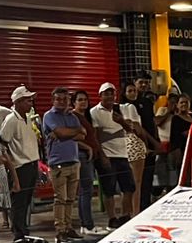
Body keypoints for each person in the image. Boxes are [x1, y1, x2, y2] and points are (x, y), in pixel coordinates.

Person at [0, 86, 40, 239]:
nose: (31, 103)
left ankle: (23, 229)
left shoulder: (26, 118)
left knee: (26, 200)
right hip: (20, 166)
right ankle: (18, 233)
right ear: (18, 101)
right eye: (28, 100)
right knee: (19, 202)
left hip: (31, 163)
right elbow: (3, 142)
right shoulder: (11, 120)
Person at [90, 82, 137, 228]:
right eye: (106, 93)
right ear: (100, 95)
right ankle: (112, 217)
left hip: (123, 153)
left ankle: (125, 215)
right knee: (109, 188)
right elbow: (97, 136)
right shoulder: (94, 112)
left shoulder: (121, 109)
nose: (109, 96)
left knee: (129, 186)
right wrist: (102, 155)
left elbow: (130, 129)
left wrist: (121, 121)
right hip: (107, 154)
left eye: (112, 93)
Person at [41, 85, 84, 238]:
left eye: (65, 99)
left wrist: (65, 134)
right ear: (53, 100)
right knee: (61, 198)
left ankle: (69, 227)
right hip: (58, 163)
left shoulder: (72, 116)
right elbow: (62, 132)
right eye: (58, 99)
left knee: (71, 198)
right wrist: (67, 132)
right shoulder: (49, 116)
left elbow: (82, 134)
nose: (61, 102)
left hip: (74, 161)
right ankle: (61, 229)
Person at [69, 91, 102, 232]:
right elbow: (73, 138)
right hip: (82, 155)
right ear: (74, 102)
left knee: (86, 190)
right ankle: (87, 224)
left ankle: (86, 224)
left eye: (85, 99)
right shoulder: (73, 117)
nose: (83, 102)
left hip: (90, 156)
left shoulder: (86, 116)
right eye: (80, 100)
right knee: (85, 190)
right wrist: (87, 148)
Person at [132, 73, 162, 208]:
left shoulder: (148, 102)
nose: (144, 85)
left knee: (148, 178)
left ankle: (146, 204)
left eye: (146, 82)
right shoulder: (130, 104)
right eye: (141, 82)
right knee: (138, 180)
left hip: (151, 145)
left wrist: (157, 141)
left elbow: (152, 122)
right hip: (137, 146)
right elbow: (138, 128)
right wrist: (151, 142)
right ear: (135, 82)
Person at [166, 94, 192, 188]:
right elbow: (176, 137)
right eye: (181, 102)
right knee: (184, 176)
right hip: (182, 151)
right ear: (177, 105)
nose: (184, 104)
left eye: (186, 102)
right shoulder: (176, 119)